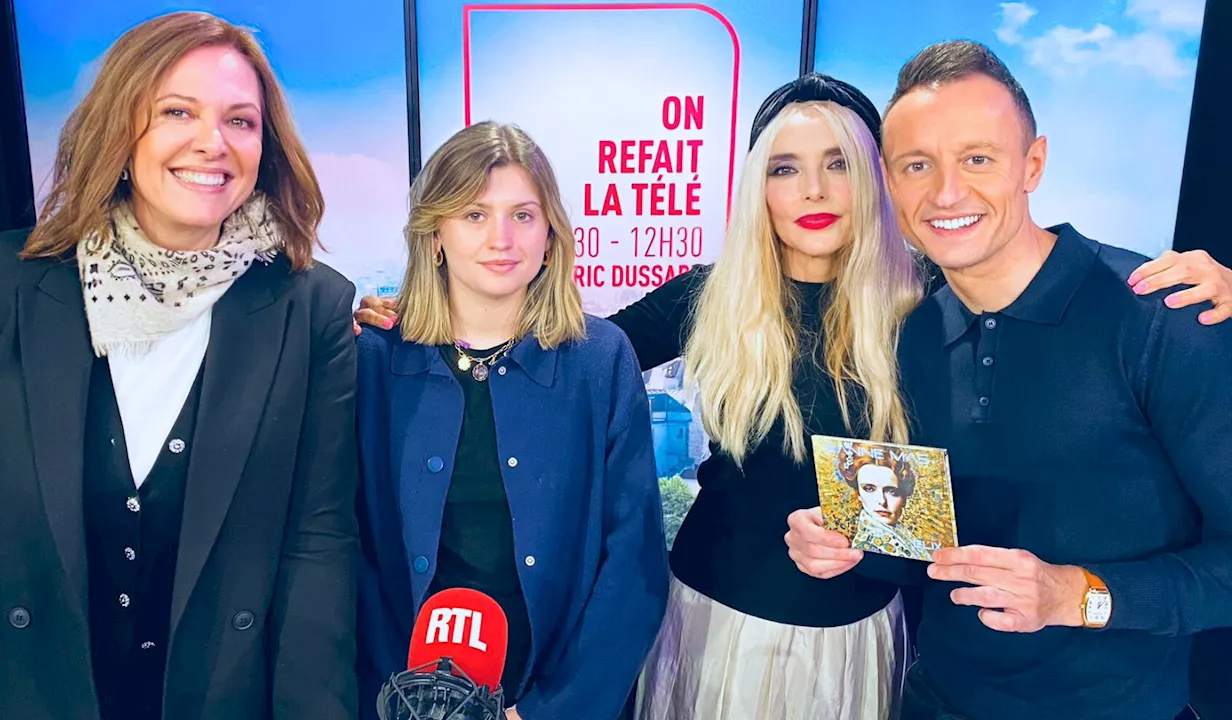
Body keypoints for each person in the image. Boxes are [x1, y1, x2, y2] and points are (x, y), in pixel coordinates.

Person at [356, 75, 1232, 719]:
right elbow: (561, 351)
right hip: (705, 622)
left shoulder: (930, 299)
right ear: (754, 187)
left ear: (877, 179)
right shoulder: (712, 294)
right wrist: (417, 313)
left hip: (862, 636)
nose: (812, 192)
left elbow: (1046, 276)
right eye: (784, 168)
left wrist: (1204, 286)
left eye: (837, 166)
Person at [786, 40, 1232, 720]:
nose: (946, 192)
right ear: (890, 183)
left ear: (1033, 164)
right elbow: (927, 547)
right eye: (916, 165)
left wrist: (1076, 594)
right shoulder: (906, 338)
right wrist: (844, 543)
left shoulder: (1159, 316)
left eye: (977, 158)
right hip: (936, 702)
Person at [0, 12, 359, 720]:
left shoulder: (312, 307)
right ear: (121, 128)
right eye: (177, 111)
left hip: (217, 698)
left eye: (241, 121)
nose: (213, 142)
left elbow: (317, 546)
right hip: (22, 694)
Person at [353, 121, 668, 720]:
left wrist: (552, 710)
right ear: (435, 235)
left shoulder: (600, 360)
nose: (501, 238)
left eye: (523, 215)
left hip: (547, 695)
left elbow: (634, 562)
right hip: (397, 697)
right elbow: (346, 551)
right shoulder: (373, 358)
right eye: (474, 214)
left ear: (550, 235)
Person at [841, 453, 934, 561]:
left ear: (904, 498)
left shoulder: (900, 531)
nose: (881, 501)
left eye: (891, 491)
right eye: (869, 489)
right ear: (858, 494)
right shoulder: (866, 544)